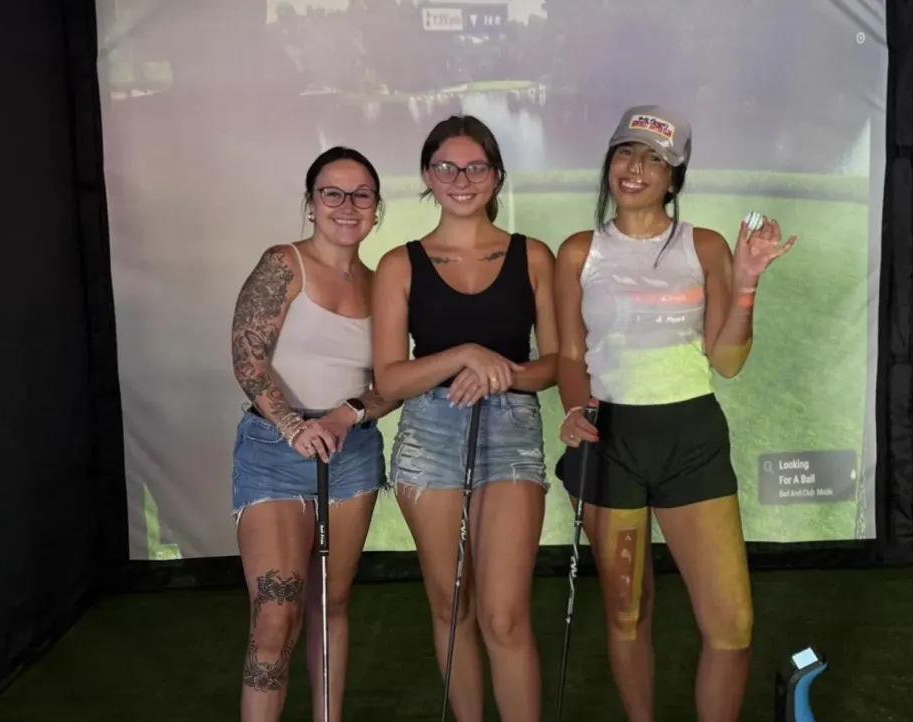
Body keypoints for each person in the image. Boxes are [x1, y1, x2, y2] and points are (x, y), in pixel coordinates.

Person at [554, 105, 796, 722]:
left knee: (732, 623)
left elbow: (729, 360)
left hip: (691, 436)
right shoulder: (580, 251)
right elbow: (570, 353)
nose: (635, 168)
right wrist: (574, 408)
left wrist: (745, 286)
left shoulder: (706, 245)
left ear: (674, 176)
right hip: (612, 439)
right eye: (625, 153)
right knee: (627, 612)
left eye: (654, 158)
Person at [371, 115, 559, 722]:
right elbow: (390, 379)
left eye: (475, 167)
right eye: (446, 167)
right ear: (428, 176)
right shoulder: (401, 264)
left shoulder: (533, 256)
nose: (461, 179)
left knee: (505, 615)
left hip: (511, 433)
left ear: (496, 175)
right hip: (428, 435)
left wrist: (501, 370)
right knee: (453, 607)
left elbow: (553, 363)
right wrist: (462, 356)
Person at [229, 146, 400, 722]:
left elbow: (390, 385)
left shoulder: (383, 285)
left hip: (351, 456)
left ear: (377, 208)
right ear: (310, 203)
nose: (347, 206)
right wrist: (294, 425)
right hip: (274, 452)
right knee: (277, 612)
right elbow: (247, 356)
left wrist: (346, 413)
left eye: (362, 195)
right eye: (333, 193)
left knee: (333, 603)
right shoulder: (285, 263)